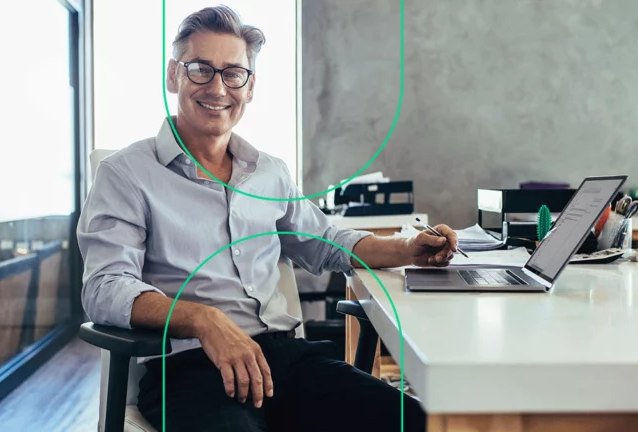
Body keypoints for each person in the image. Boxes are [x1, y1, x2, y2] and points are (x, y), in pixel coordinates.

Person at [77, 5, 458, 432]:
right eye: (201, 69)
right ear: (173, 76)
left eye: (233, 73)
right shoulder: (125, 174)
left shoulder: (270, 171)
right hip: (190, 371)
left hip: (287, 362)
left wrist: (406, 249)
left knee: (421, 423)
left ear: (250, 85)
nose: (217, 87)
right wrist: (204, 320)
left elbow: (324, 240)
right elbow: (104, 287)